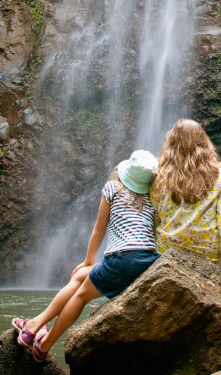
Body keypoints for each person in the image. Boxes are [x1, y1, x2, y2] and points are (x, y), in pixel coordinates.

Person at [12, 149, 159, 362]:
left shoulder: (112, 188)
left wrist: (88, 261)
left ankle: (43, 344)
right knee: (80, 277)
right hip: (146, 261)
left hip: (119, 260)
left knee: (81, 294)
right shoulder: (151, 197)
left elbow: (99, 229)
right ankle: (34, 325)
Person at [150, 118, 221, 294]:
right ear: (203, 142)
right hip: (208, 254)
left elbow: (154, 214)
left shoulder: (160, 175)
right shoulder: (220, 174)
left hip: (168, 251)